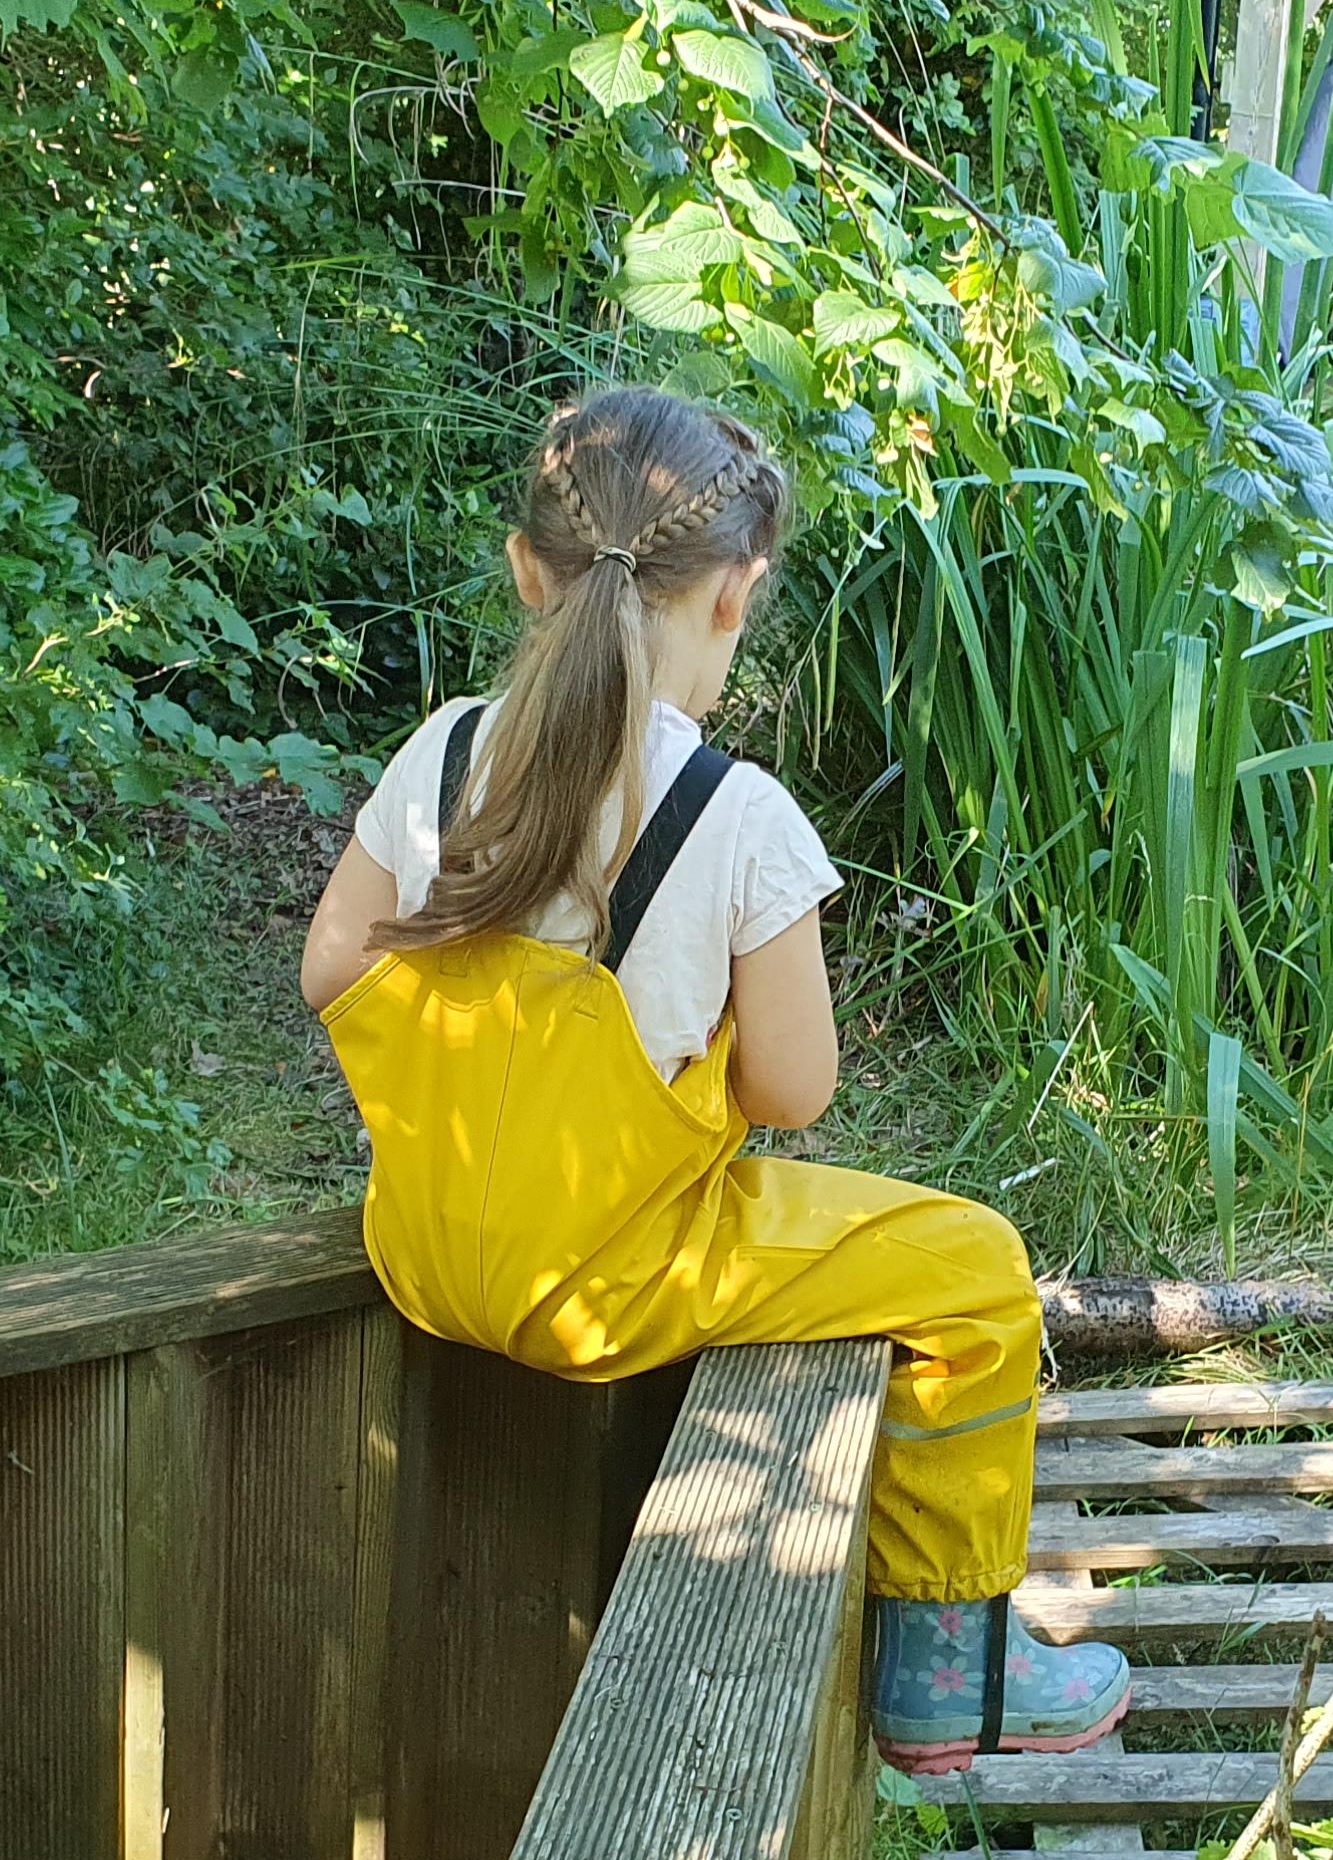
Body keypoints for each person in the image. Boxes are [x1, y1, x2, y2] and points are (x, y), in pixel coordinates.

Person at [298, 387, 1129, 1776]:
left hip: (424, 1252)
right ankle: (946, 1664)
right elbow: (795, 1090)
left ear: (525, 572)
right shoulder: (737, 817)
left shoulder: (441, 749)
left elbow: (334, 969)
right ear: (737, 594)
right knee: (980, 1271)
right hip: (620, 1278)